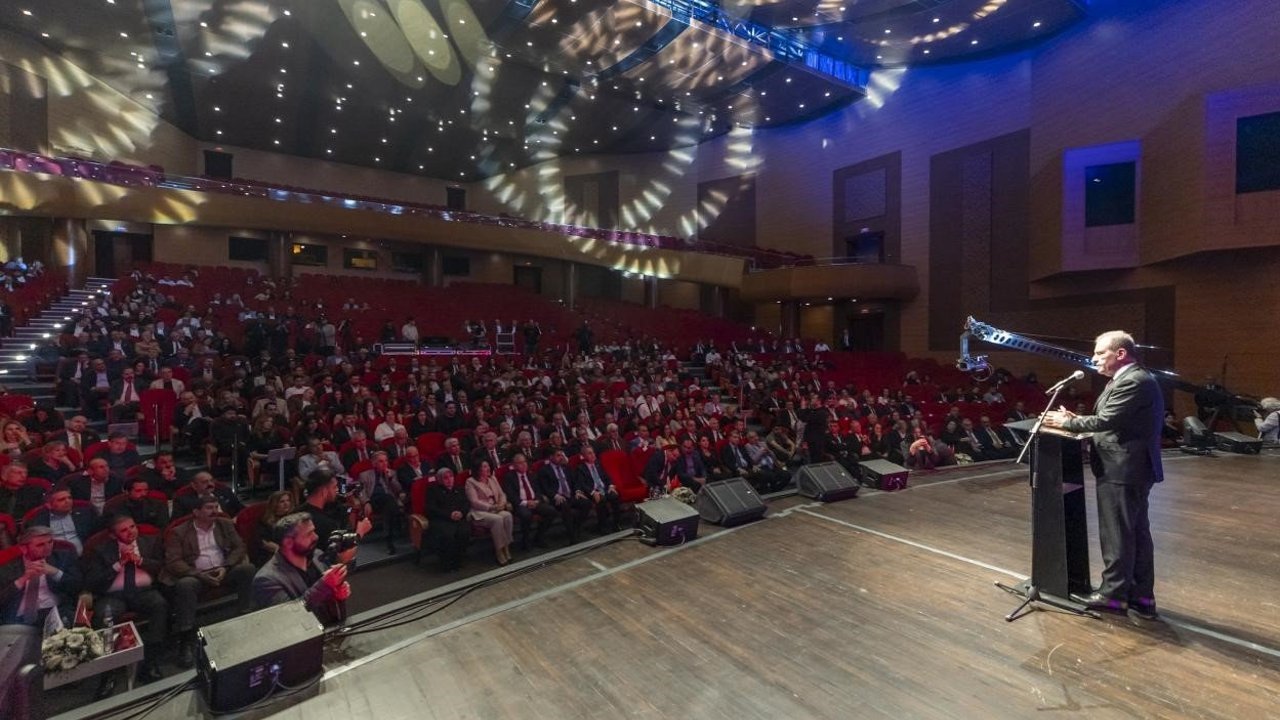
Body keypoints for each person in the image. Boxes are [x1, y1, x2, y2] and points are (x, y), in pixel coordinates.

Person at [1045, 331, 1164, 619]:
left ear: (1120, 354)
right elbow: (1115, 421)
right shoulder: (1130, 378)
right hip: (1128, 468)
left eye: (1100, 353)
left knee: (1118, 535)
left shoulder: (1134, 380)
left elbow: (1106, 420)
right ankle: (1141, 597)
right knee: (1134, 534)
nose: (1094, 358)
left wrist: (1066, 423)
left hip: (1123, 469)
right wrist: (1076, 420)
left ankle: (1113, 596)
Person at [161, 493, 257, 667]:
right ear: (196, 512)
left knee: (247, 569)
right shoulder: (178, 532)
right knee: (185, 585)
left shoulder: (225, 524)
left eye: (216, 507)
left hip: (223, 570)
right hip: (196, 575)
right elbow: (174, 562)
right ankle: (186, 638)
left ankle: (245, 616)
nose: (214, 511)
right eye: (209, 508)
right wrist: (198, 574)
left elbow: (239, 547)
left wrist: (226, 566)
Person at [84, 514, 167, 685]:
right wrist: (118, 565)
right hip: (114, 595)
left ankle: (150, 661)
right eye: (124, 530)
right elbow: (93, 581)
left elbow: (162, 567)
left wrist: (141, 561)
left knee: (160, 605)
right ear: (113, 535)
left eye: (132, 527)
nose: (131, 532)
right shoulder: (100, 550)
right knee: (104, 615)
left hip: (143, 591)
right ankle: (109, 670)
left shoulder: (150, 542)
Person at [252, 513, 350, 626]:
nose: (315, 537)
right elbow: (288, 617)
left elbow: (326, 604)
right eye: (309, 534)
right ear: (288, 542)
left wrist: (337, 597)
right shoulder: (266, 579)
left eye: (314, 531)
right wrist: (324, 585)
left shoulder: (317, 556)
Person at [0, 525, 82, 626]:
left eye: (50, 542)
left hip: (56, 611)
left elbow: (78, 585)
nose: (48, 547)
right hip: (19, 618)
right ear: (23, 548)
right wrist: (22, 580)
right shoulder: (8, 568)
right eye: (40, 545)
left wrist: (55, 572)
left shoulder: (63, 558)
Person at [466, 460, 515, 564]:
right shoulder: (470, 482)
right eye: (484, 467)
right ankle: (499, 551)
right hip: (480, 512)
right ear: (478, 469)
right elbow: (474, 502)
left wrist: (502, 504)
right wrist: (492, 507)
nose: (488, 468)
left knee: (507, 516)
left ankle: (506, 547)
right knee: (497, 520)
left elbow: (502, 494)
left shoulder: (492, 478)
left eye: (488, 466)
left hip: (496, 508)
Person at [426, 468, 471, 572]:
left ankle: (459, 559)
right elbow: (432, 508)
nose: (449, 480)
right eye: (445, 478)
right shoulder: (433, 490)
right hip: (441, 519)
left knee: (464, 531)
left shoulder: (459, 489)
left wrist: (461, 512)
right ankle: (446, 562)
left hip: (458, 517)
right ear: (440, 480)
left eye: (451, 477)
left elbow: (466, 503)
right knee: (447, 534)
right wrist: (449, 515)